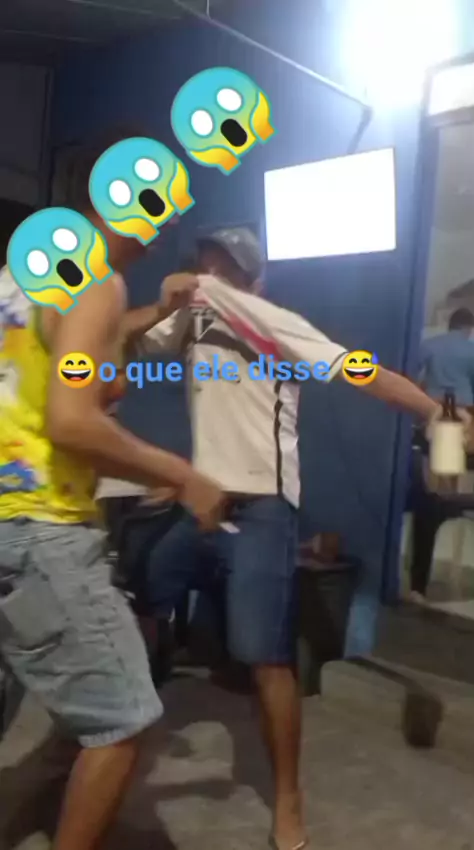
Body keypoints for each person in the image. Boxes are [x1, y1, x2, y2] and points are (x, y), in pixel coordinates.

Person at [121, 226, 454, 850]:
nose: (211, 280)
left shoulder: (276, 325)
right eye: (206, 268)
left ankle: (288, 800)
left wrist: (434, 413)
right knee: (142, 592)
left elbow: (361, 370)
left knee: (265, 657)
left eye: (226, 272)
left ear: (255, 280)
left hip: (263, 512)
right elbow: (118, 345)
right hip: (201, 502)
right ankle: (119, 736)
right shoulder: (190, 322)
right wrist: (161, 306)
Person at [0, 135, 225, 850]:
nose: (163, 220)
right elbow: (71, 419)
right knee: (124, 719)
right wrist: (181, 473)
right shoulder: (98, 281)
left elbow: (71, 351)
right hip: (42, 529)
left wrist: (156, 310)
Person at [420, 307, 474, 405]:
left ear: (450, 326)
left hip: (434, 401)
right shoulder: (471, 348)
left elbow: (413, 373)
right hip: (463, 402)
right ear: (469, 328)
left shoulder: (428, 344)